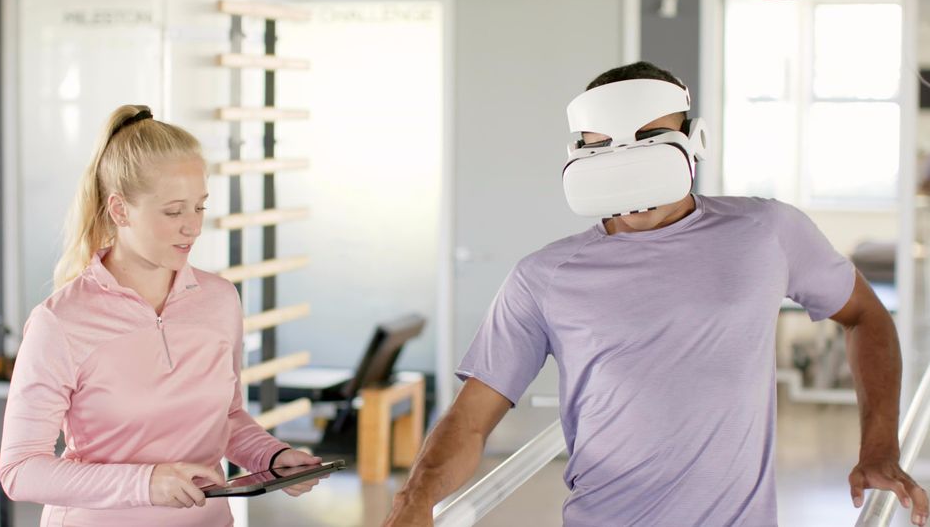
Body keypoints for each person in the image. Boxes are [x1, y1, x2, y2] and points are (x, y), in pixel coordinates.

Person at [383, 62, 929, 526]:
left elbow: (864, 316)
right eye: (603, 149)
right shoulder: (543, 276)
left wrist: (879, 446)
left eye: (651, 141)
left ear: (695, 141)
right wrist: (415, 501)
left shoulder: (766, 231)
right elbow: (472, 417)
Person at [0, 105, 321, 526]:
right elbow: (20, 470)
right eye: (174, 211)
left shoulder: (219, 300)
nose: (193, 227)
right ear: (119, 210)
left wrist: (273, 456)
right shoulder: (60, 322)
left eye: (200, 207)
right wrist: (144, 483)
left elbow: (225, 416)